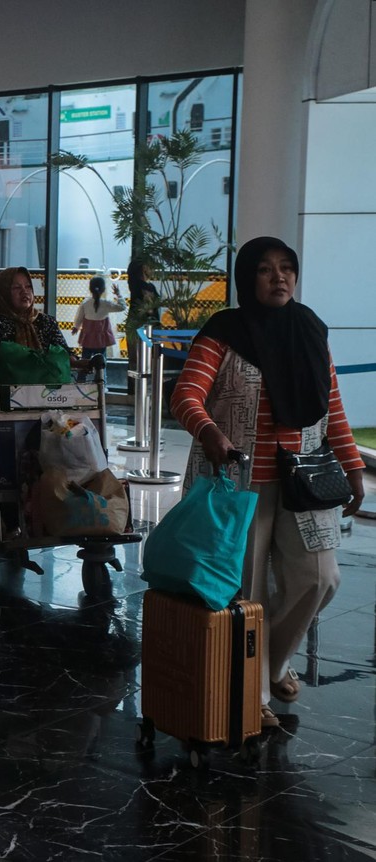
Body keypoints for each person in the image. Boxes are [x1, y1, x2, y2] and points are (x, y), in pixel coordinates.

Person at [170, 236, 365, 729]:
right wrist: (209, 429)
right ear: (246, 278)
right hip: (238, 484)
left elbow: (332, 407)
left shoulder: (310, 331)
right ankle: (250, 690)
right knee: (245, 591)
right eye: (265, 269)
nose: (279, 277)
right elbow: (186, 394)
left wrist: (354, 466)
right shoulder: (224, 332)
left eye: (286, 268)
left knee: (319, 579)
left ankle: (272, 662)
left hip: (305, 480)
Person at [0, 266, 88, 443]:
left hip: (43, 400)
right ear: (3, 293)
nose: (24, 292)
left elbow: (64, 352)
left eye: (28, 287)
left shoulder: (45, 322)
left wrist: (84, 362)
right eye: (16, 288)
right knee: (6, 460)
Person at [71, 276, 126, 385]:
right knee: (101, 363)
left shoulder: (85, 303)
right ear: (103, 289)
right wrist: (118, 294)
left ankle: (80, 382)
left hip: (87, 338)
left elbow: (79, 317)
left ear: (90, 289)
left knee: (84, 361)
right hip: (101, 339)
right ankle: (101, 384)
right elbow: (122, 307)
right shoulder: (106, 304)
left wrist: (76, 327)